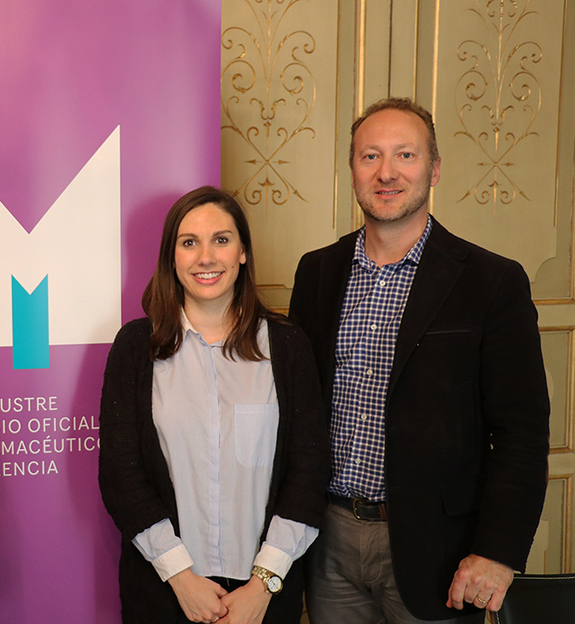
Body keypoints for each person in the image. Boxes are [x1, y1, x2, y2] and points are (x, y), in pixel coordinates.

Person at [289, 98, 550, 623]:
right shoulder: (316, 272)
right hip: (327, 541)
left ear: (434, 169)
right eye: (370, 156)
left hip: (438, 551)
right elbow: (296, 411)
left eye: (405, 155)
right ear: (352, 171)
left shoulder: (492, 281)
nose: (386, 172)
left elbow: (521, 432)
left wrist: (498, 552)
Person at [99, 186, 330, 624]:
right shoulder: (135, 347)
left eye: (221, 240)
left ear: (242, 252)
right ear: (172, 258)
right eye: (189, 243)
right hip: (165, 593)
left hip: (262, 600)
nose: (206, 257)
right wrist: (181, 577)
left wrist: (263, 585)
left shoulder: (288, 346)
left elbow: (309, 471)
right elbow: (121, 475)